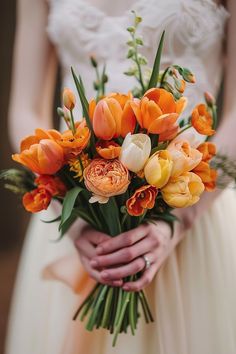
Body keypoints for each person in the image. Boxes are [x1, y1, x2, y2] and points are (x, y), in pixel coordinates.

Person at [5, 0, 236, 353]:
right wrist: (77, 219)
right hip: (75, 218)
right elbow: (24, 107)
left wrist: (176, 222)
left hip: (195, 206)